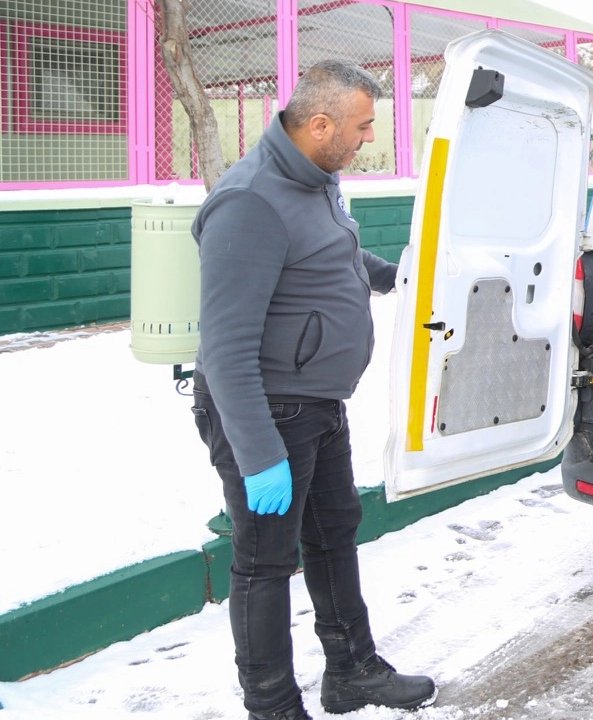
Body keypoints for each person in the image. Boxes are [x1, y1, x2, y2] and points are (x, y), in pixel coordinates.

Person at [190, 60, 436, 720]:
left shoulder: (316, 178)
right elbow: (225, 345)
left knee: (334, 536)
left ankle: (351, 672)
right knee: (265, 562)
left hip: (317, 404)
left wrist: (393, 276)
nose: (367, 140)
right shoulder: (250, 203)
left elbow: (331, 254)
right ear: (320, 124)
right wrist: (258, 452)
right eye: (361, 128)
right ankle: (270, 704)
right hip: (266, 410)